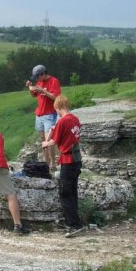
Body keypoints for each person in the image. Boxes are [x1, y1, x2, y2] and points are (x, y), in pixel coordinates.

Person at [42, 95, 84, 237]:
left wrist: (45, 144)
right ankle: (74, 220)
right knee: (72, 191)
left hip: (67, 160)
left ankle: (74, 225)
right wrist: (56, 127)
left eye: (57, 110)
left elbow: (54, 140)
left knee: (65, 192)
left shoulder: (63, 121)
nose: (57, 113)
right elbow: (69, 134)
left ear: (59, 107)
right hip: (77, 159)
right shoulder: (75, 119)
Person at [25, 64, 61, 170]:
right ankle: (46, 163)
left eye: (37, 76)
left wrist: (43, 91)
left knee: (49, 140)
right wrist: (30, 88)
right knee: (42, 139)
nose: (36, 79)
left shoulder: (54, 81)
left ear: (43, 74)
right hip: (39, 114)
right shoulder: (39, 81)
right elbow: (34, 95)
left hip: (50, 114)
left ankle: (53, 164)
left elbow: (57, 97)